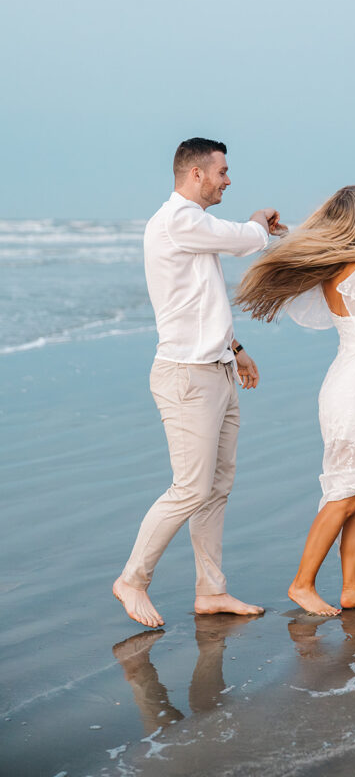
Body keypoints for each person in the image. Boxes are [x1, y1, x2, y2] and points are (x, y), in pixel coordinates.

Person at [235, 185, 355, 616]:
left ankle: (352, 587)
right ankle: (302, 583)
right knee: (347, 492)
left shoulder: (335, 271)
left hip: (345, 384)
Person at [113, 138, 286, 628]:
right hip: (186, 377)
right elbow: (242, 239)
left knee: (215, 487)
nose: (228, 180)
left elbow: (202, 301)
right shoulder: (178, 219)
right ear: (195, 174)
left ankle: (212, 592)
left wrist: (236, 349)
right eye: (222, 172)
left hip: (216, 369)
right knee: (190, 487)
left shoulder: (193, 228)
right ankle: (132, 579)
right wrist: (259, 220)